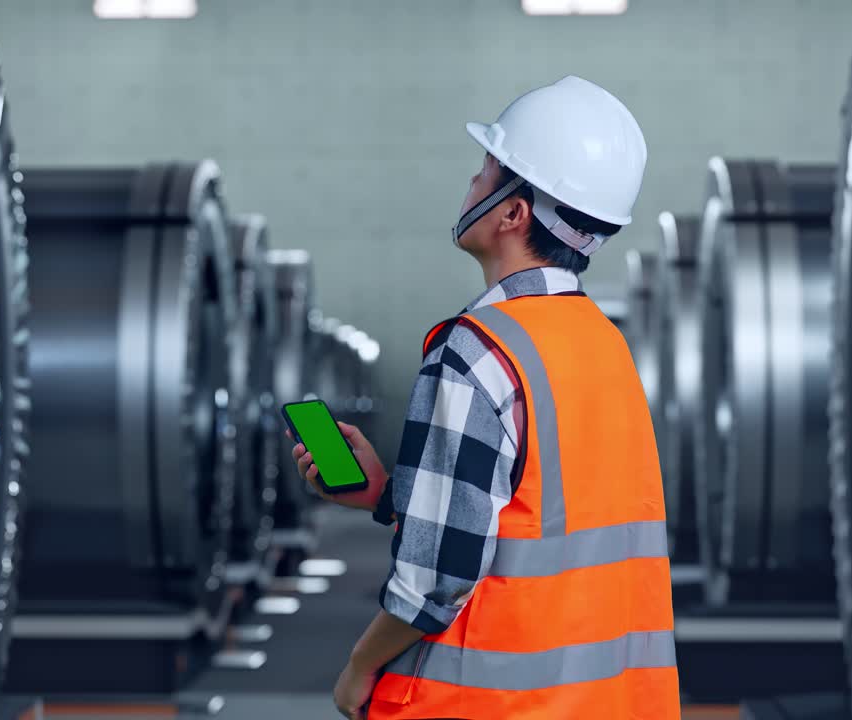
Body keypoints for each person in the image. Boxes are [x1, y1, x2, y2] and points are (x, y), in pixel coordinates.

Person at [290, 75, 679, 720]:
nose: (470, 184)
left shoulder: (477, 351)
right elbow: (547, 521)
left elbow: (436, 578)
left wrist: (360, 666)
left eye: (484, 170)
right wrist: (392, 494)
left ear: (512, 212)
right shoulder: (606, 345)